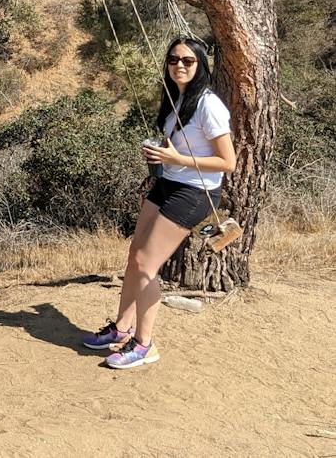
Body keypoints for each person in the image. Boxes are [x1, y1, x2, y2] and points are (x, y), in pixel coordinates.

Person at [82, 36, 236, 369]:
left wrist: (177, 158)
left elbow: (228, 163)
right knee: (135, 255)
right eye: (173, 60)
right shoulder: (176, 100)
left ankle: (144, 344)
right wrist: (160, 162)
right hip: (167, 183)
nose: (179, 65)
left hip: (195, 192)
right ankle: (121, 329)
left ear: (201, 65)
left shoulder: (209, 104)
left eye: (188, 61)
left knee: (145, 264)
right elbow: (177, 149)